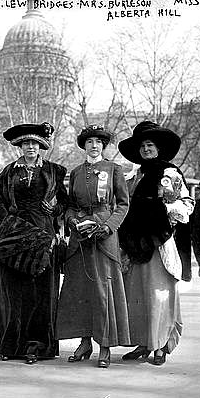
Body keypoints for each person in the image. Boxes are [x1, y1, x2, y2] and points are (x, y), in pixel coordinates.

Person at [0, 122, 68, 364]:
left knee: (41, 291)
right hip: (14, 237)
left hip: (43, 236)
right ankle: (12, 346)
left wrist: (55, 209)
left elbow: (64, 202)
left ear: (41, 146)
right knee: (14, 291)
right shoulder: (9, 172)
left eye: (34, 143)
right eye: (25, 143)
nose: (30, 147)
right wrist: (8, 224)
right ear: (20, 147)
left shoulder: (54, 171)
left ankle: (38, 346)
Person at [118, 121, 194, 366]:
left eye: (150, 145)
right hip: (134, 243)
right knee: (137, 294)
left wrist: (166, 213)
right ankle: (144, 342)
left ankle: (161, 345)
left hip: (159, 242)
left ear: (159, 148)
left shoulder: (170, 173)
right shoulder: (134, 175)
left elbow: (185, 204)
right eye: (142, 146)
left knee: (159, 294)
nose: (146, 149)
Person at [56, 125, 130, 368]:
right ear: (84, 145)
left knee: (102, 290)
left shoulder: (114, 170)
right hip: (80, 238)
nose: (94, 145)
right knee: (80, 290)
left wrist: (108, 227)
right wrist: (72, 221)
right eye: (89, 142)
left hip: (104, 236)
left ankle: (105, 345)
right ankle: (84, 342)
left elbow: (122, 205)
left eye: (99, 142)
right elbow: (69, 205)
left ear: (104, 145)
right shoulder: (76, 172)